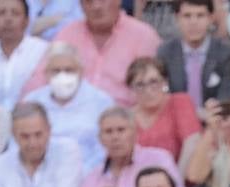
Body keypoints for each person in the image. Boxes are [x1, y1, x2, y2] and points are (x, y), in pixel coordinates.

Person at [19, 0, 161, 107]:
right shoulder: (68, 34)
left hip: (122, 126)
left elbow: (153, 93)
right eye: (89, 1)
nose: (96, 6)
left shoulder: (143, 36)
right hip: (70, 120)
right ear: (80, 5)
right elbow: (40, 79)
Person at [23, 43, 116, 173]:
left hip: (88, 173)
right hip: (39, 172)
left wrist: (82, 173)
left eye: (69, 70)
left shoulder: (101, 101)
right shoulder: (32, 101)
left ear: (81, 72)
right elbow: (17, 143)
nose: (63, 76)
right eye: (56, 71)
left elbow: (107, 146)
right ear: (46, 74)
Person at [78, 107, 187, 187]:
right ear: (100, 139)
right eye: (108, 132)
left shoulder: (158, 160)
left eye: (121, 130)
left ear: (135, 134)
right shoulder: (92, 179)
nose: (115, 137)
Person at [158, 0, 230, 112]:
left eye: (200, 16)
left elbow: (226, 98)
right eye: (187, 16)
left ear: (211, 18)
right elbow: (163, 97)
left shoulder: (227, 52)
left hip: (215, 121)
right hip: (176, 121)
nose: (193, 22)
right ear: (177, 18)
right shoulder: (165, 52)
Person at [0, 0, 50, 111]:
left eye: (15, 13)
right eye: (2, 13)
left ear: (26, 21)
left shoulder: (43, 51)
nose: (8, 19)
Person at [126, 56, 200, 161]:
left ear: (165, 82)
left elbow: (192, 142)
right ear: (131, 89)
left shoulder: (179, 102)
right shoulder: (127, 117)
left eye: (153, 82)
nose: (148, 90)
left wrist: (176, 177)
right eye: (140, 85)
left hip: (178, 172)